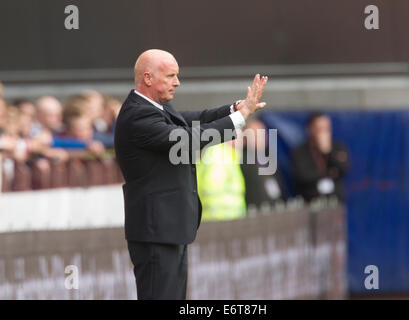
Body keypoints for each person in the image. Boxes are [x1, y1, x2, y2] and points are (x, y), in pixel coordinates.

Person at [114, 49, 267, 300]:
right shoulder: (138, 115)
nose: (177, 82)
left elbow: (196, 119)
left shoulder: (154, 109)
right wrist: (240, 118)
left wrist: (235, 108)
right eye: (171, 76)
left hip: (167, 228)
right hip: (155, 230)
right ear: (148, 78)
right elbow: (188, 139)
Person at [291, 112, 349, 203]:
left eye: (326, 129)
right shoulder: (300, 151)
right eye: (319, 129)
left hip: (335, 201)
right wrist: (330, 173)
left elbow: (344, 169)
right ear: (310, 129)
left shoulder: (338, 147)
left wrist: (327, 152)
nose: (323, 133)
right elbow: (303, 176)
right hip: (311, 202)